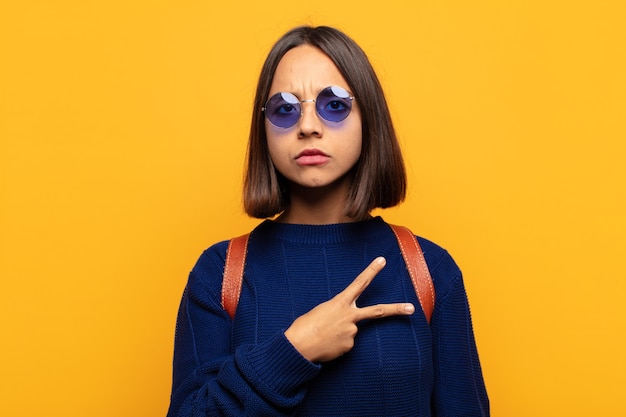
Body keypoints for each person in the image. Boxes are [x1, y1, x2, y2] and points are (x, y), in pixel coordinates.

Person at [167, 25, 489, 416]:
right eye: (285, 108)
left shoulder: (430, 270)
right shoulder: (218, 274)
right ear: (264, 127)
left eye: (333, 104)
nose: (308, 127)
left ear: (368, 116)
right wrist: (294, 351)